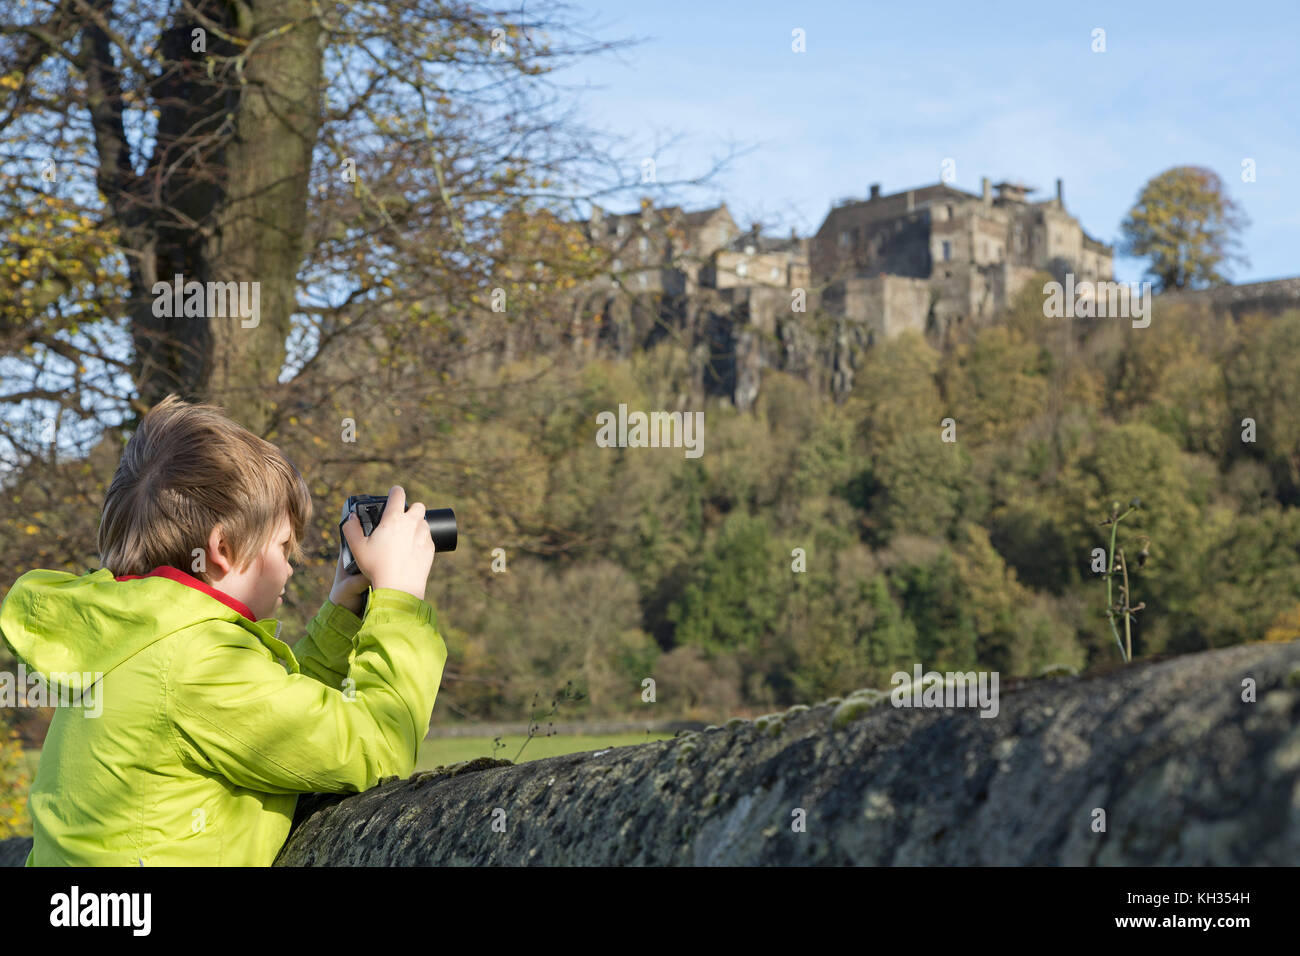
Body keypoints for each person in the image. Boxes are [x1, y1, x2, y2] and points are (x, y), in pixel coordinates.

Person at [0, 394, 445, 865]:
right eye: (283, 546)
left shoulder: (134, 639)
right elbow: (375, 746)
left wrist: (341, 612)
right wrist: (398, 597)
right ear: (223, 548)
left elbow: (281, 721)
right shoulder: (195, 664)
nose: (291, 567)